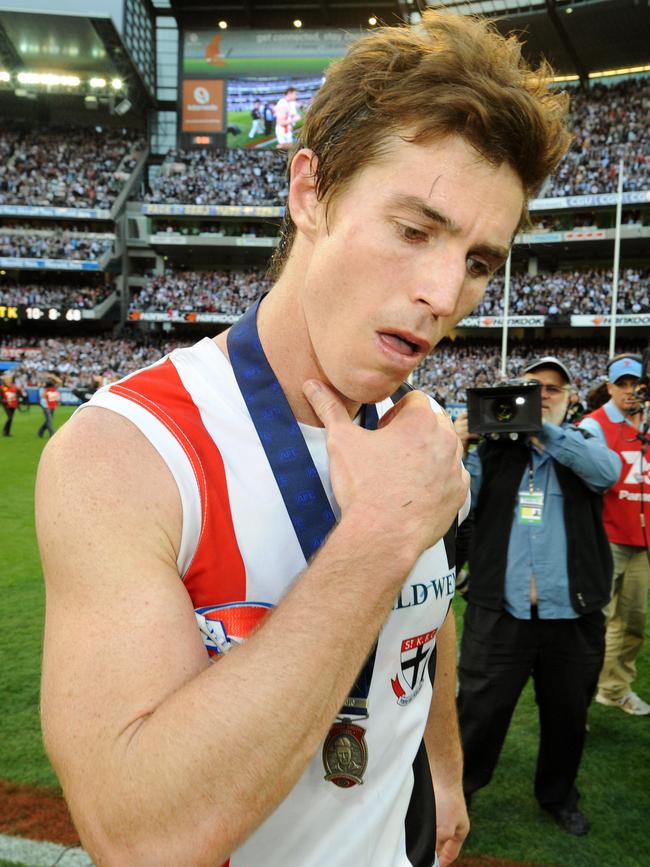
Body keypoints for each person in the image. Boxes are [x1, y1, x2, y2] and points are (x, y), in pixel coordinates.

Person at [36, 12, 570, 867]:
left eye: (478, 261)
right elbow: (137, 835)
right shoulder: (127, 451)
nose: (443, 292)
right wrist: (379, 535)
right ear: (309, 192)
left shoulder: (412, 434)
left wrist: (443, 764)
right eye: (414, 228)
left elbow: (425, 611)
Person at [455, 357, 620, 836]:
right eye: (532, 387)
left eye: (553, 387)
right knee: (479, 713)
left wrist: (545, 432)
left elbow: (606, 473)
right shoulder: (492, 450)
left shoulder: (583, 442)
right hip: (500, 612)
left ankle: (558, 795)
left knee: (568, 714)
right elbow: (457, 500)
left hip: (572, 614)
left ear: (570, 396)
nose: (543, 393)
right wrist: (460, 443)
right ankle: (459, 790)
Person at [580, 355, 650, 716]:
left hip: (643, 542)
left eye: (634, 384)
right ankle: (577, 699)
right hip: (605, 538)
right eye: (620, 384)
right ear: (609, 386)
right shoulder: (594, 425)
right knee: (593, 622)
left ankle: (615, 689)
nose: (628, 391)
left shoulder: (647, 423)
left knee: (633, 622)